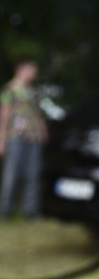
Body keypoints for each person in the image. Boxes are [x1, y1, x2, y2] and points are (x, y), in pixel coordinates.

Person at [0, 57, 48, 220]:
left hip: (34, 138)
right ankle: (6, 210)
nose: (35, 73)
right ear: (21, 70)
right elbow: (4, 114)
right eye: (32, 69)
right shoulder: (9, 89)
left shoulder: (33, 91)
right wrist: (1, 139)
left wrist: (43, 129)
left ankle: (31, 211)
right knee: (11, 175)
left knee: (33, 175)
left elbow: (38, 113)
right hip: (15, 137)